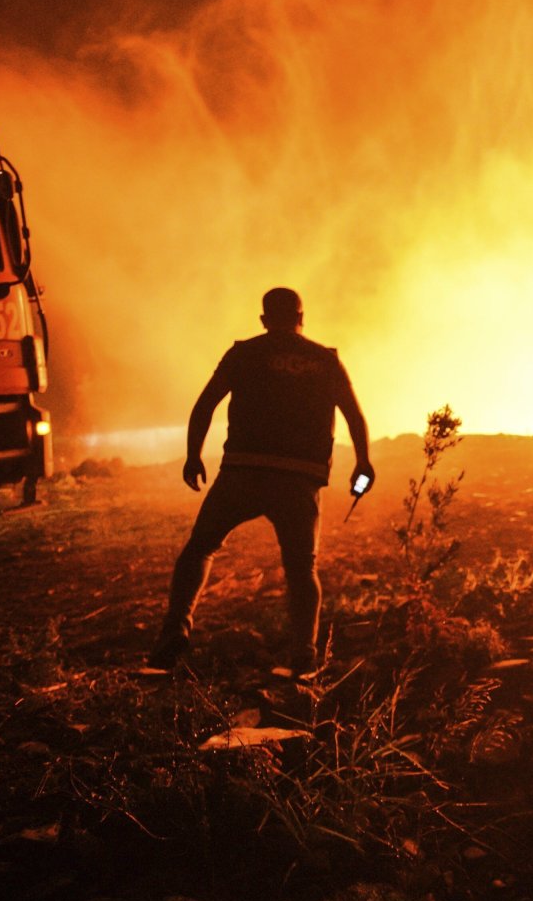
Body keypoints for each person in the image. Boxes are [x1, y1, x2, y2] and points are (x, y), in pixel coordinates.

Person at [148, 287, 374, 678]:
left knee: (200, 548)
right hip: (299, 479)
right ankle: (304, 654)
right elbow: (354, 415)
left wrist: (193, 455)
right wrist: (363, 462)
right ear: (302, 318)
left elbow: (205, 404)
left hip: (242, 472)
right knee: (303, 569)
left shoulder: (243, 353)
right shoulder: (325, 360)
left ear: (264, 320)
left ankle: (176, 630)